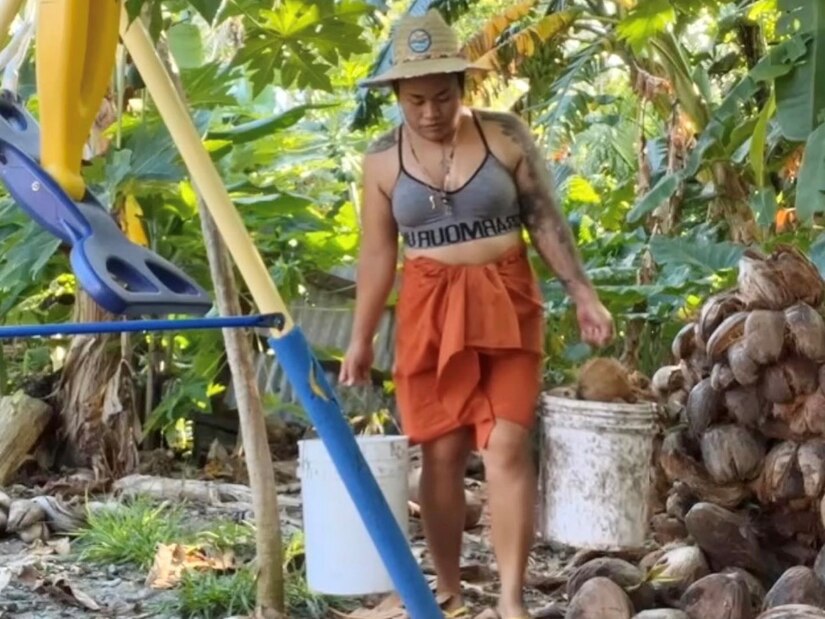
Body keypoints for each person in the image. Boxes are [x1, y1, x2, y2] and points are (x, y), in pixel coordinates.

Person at [339, 10, 614, 619]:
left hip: (506, 299)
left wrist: (582, 292)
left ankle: (511, 601)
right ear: (396, 97)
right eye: (415, 101)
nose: (430, 113)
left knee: (508, 445)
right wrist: (360, 338)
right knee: (440, 451)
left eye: (442, 97)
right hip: (430, 309)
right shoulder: (382, 161)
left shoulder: (505, 135)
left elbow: (545, 218)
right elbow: (378, 252)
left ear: (464, 87)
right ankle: (448, 588)